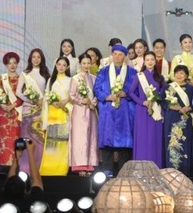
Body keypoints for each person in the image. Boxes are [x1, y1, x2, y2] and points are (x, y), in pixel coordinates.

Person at [93, 43, 136, 176]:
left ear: (125, 57)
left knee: (124, 142)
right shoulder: (103, 71)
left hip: (125, 110)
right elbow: (97, 89)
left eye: (120, 54)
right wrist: (106, 97)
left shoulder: (132, 72)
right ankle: (107, 171)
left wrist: (126, 93)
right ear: (111, 55)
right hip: (108, 109)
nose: (117, 57)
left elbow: (137, 91)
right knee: (107, 140)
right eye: (115, 54)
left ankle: (124, 172)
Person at [128, 51, 166, 167]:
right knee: (143, 138)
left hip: (156, 111)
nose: (150, 62)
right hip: (142, 111)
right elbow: (131, 92)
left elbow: (163, 95)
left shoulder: (160, 78)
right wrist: (142, 102)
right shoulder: (139, 76)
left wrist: (157, 102)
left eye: (152, 60)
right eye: (147, 60)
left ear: (155, 62)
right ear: (144, 62)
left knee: (154, 139)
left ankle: (156, 167)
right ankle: (141, 168)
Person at [16, 48, 50, 174]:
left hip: (41, 110)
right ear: (30, 58)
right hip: (28, 110)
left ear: (42, 59)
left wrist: (42, 100)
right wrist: (30, 100)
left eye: (38, 57)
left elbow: (48, 92)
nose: (36, 59)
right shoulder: (25, 74)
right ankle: (25, 169)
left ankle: (37, 168)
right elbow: (18, 92)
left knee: (39, 139)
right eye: (34, 57)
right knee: (27, 138)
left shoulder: (45, 74)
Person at [39, 57, 73, 176]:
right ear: (56, 65)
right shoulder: (51, 80)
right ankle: (48, 170)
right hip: (53, 115)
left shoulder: (71, 80)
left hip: (64, 113)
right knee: (51, 143)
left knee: (62, 142)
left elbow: (73, 96)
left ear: (67, 67)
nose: (61, 67)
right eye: (59, 64)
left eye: (64, 65)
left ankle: (61, 170)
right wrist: (52, 101)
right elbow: (46, 96)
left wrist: (65, 102)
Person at [0, 139, 44, 213]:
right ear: (25, 190)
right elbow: (36, 180)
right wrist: (31, 152)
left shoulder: (2, 203)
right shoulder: (29, 203)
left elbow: (10, 182)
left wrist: (17, 157)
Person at [68, 53, 98, 176]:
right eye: (84, 63)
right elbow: (71, 95)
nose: (86, 65)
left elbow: (96, 94)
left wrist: (92, 103)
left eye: (88, 63)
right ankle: (79, 165)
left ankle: (89, 164)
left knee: (91, 136)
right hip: (79, 111)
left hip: (91, 110)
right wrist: (82, 101)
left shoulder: (94, 78)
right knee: (80, 137)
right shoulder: (75, 78)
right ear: (80, 63)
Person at [165, 65, 193, 176]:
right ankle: (171, 172)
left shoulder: (191, 88)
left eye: (182, 73)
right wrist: (171, 106)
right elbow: (162, 101)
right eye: (177, 73)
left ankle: (185, 173)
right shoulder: (168, 87)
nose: (179, 75)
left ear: (186, 75)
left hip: (185, 119)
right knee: (172, 144)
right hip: (171, 118)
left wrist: (188, 108)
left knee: (184, 144)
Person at [0, 52, 23, 166]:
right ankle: (4, 163)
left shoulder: (21, 78)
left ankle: (16, 162)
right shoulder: (2, 78)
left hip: (16, 112)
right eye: (10, 63)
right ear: (6, 64)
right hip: (4, 113)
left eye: (14, 63)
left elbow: (22, 97)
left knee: (16, 137)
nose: (12, 65)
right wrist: (3, 105)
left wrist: (12, 106)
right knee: (4, 138)